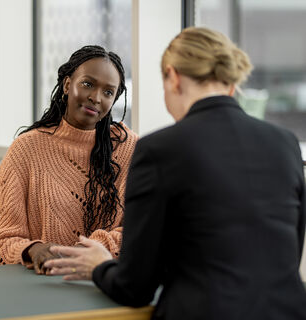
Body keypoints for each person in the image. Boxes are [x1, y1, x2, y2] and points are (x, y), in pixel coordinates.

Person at [44, 27, 306, 319]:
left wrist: (99, 265)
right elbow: (290, 255)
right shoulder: (285, 144)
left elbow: (135, 287)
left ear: (174, 76)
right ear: (229, 85)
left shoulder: (159, 149)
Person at [0, 45, 138, 274]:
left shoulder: (129, 147)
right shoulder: (26, 149)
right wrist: (32, 249)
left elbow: (142, 228)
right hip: (37, 282)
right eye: (87, 84)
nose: (96, 98)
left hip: (104, 279)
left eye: (108, 92)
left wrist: (90, 251)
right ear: (67, 84)